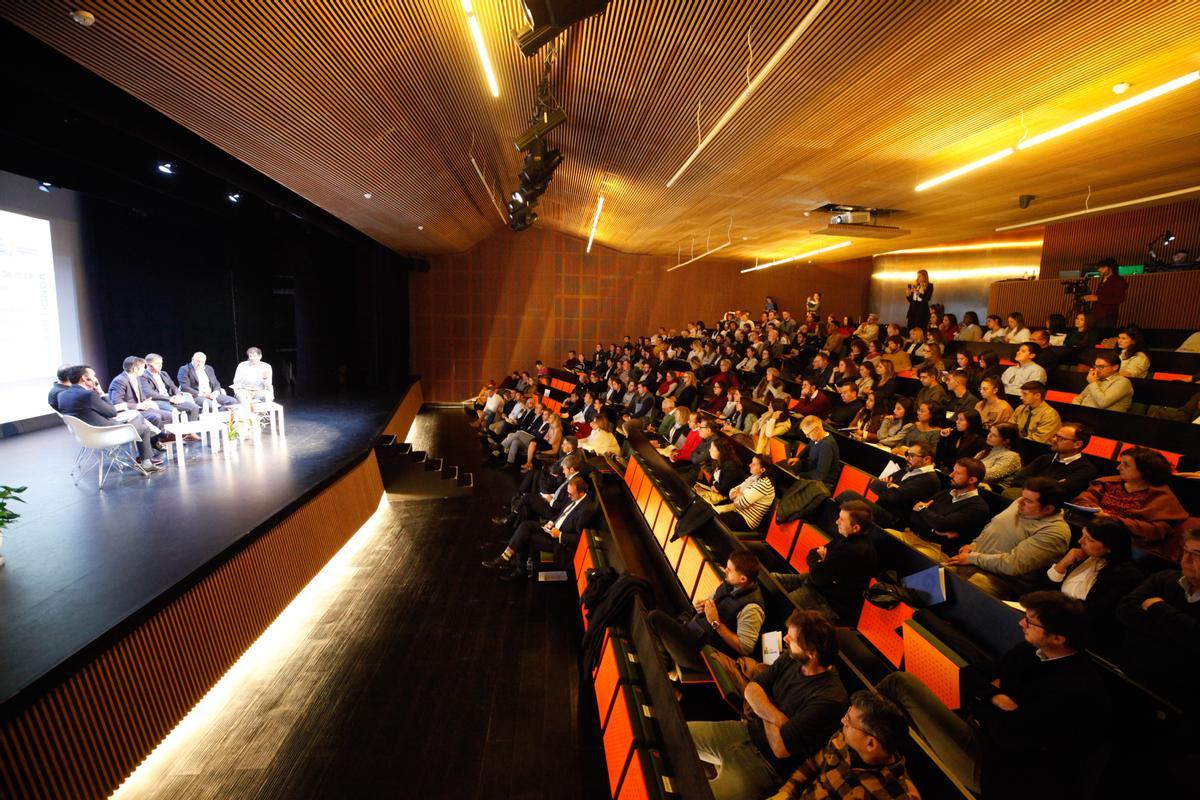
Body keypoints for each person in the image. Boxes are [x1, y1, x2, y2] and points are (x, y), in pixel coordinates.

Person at [878, 591, 1109, 799]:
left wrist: (983, 700)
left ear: (1058, 638)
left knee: (900, 685)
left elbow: (1007, 735)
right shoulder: (1029, 651)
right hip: (982, 729)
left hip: (997, 771)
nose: (1021, 623)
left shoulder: (1078, 689)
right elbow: (971, 674)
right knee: (899, 704)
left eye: (1030, 622)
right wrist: (994, 697)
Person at [689, 610, 848, 800]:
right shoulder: (791, 657)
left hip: (766, 767)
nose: (786, 639)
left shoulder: (830, 699)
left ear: (811, 653)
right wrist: (776, 716)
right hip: (745, 731)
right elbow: (751, 689)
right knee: (674, 733)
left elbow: (780, 749)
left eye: (793, 638)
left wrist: (763, 704)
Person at [768, 691, 920, 800]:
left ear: (871, 743)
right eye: (847, 714)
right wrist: (786, 792)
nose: (842, 721)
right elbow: (812, 765)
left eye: (849, 720)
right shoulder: (843, 737)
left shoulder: (901, 794)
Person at [1115, 528, 1200, 709]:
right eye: (1185, 551)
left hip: (1180, 694)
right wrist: (1179, 633)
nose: (1185, 559)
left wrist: (1157, 607)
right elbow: (1125, 610)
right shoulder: (1165, 578)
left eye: (1196, 555)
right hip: (1130, 671)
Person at [944, 478, 1070, 599]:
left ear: (1048, 509)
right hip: (975, 561)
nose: (1020, 502)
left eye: (1029, 501)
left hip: (1003, 581)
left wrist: (972, 558)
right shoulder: (1019, 503)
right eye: (1022, 496)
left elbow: (1012, 565)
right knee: (935, 577)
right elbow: (994, 525)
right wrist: (974, 544)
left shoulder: (1055, 532)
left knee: (963, 589)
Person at [647, 551, 765, 675]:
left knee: (654, 618)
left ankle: (664, 670)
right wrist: (702, 606)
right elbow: (712, 604)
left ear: (743, 579)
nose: (725, 570)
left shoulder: (752, 608)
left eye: (730, 570)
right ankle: (665, 664)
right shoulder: (730, 584)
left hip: (705, 654)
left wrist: (716, 623)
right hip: (693, 633)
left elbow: (745, 648)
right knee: (655, 617)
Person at [1042, 515, 1142, 654]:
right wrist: (1063, 563)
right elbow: (1045, 587)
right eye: (1083, 535)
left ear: (1109, 547)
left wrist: (1053, 607)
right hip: (1056, 618)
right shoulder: (1082, 555)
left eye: (1090, 539)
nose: (1080, 541)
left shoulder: (1124, 576)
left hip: (1083, 635)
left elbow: (1095, 614)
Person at [1072, 447, 1189, 562]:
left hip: (1129, 543)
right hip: (1090, 531)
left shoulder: (1160, 497)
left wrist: (1113, 520)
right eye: (1120, 463)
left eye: (1126, 465)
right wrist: (1093, 509)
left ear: (1144, 470)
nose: (1118, 467)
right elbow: (1084, 498)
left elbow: (1158, 530)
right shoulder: (1108, 483)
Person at [773, 500, 878, 624]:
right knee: (773, 580)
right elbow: (813, 553)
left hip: (829, 602)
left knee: (780, 604)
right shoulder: (845, 535)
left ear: (855, 528)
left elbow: (817, 575)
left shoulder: (855, 551)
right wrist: (821, 562)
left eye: (842, 520)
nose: (836, 522)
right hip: (819, 585)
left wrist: (821, 562)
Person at [482, 476, 593, 580]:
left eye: (571, 494)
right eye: (568, 493)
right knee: (525, 525)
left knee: (525, 538)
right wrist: (551, 522)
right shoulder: (574, 497)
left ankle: (518, 570)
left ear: (581, 492)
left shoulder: (585, 510)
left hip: (559, 542)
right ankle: (506, 557)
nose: (568, 496)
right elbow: (562, 514)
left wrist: (559, 534)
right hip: (552, 528)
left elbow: (579, 538)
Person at [57, 365, 163, 474]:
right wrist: (101, 393)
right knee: (143, 428)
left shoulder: (62, 395)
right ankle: (147, 461)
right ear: (84, 378)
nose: (95, 378)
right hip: (105, 435)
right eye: (93, 376)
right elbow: (112, 412)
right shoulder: (89, 395)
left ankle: (155, 437)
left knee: (136, 416)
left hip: (84, 436)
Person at [845, 443, 940, 530]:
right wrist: (890, 486)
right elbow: (875, 485)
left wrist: (886, 486)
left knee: (848, 496)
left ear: (926, 459)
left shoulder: (929, 479)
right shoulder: (908, 469)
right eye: (907, 454)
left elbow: (895, 497)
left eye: (911, 456)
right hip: (882, 508)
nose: (907, 458)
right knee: (848, 501)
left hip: (894, 519)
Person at [909, 457, 991, 549]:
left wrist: (922, 509)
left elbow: (941, 524)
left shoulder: (977, 507)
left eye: (958, 473)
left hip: (936, 548)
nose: (951, 475)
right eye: (953, 471)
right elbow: (914, 516)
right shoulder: (945, 493)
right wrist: (934, 529)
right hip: (914, 536)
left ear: (972, 480)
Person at [1004, 422, 1096, 498]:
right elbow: (1018, 480)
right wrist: (1052, 484)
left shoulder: (1085, 469)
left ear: (1077, 444)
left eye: (1061, 438)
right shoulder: (1045, 458)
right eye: (1055, 436)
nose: (1053, 440)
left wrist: (1033, 481)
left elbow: (1060, 494)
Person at [107, 357, 171, 433]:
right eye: (142, 368)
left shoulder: (137, 378)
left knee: (169, 415)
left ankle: (164, 438)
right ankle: (155, 442)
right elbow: (117, 402)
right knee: (155, 417)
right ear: (134, 369)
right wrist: (137, 406)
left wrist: (145, 401)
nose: (144, 370)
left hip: (140, 409)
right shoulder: (120, 381)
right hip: (129, 412)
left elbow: (139, 397)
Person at [715, 453, 776, 531]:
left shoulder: (765, 484)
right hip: (736, 510)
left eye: (754, 464)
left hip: (746, 520)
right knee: (712, 511)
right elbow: (732, 491)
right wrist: (739, 495)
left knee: (716, 519)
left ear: (763, 470)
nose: (750, 465)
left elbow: (741, 503)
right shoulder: (754, 477)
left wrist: (739, 495)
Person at [142, 353, 201, 429]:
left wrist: (178, 395)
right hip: (157, 401)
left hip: (172, 399)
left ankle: (190, 432)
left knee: (194, 407)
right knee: (174, 412)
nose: (160, 365)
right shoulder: (143, 376)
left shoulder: (164, 374)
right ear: (149, 365)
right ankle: (176, 433)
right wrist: (169, 398)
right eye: (157, 363)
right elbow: (149, 393)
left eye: (161, 363)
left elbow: (173, 387)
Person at [790, 416, 840, 490]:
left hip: (823, 483)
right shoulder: (817, 437)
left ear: (816, 430)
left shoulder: (826, 445)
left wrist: (801, 476)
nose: (807, 436)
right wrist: (798, 457)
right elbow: (809, 447)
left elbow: (820, 474)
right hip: (812, 472)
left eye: (808, 434)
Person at [1083, 257, 1127, 329]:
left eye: (1103, 267)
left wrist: (1097, 298)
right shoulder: (1104, 279)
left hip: (1107, 316)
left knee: (1102, 335)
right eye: (1099, 267)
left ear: (1111, 268)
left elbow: (1120, 298)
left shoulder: (1118, 280)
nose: (1099, 269)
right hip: (1097, 314)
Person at [976, 422, 1023, 486]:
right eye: (990, 432)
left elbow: (988, 476)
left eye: (994, 435)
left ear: (1006, 441)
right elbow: (972, 464)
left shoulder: (1011, 456)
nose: (989, 436)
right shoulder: (989, 449)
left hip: (994, 490)